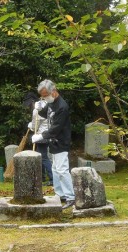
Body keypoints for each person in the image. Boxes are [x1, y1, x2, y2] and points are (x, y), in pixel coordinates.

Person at [31, 79, 75, 209]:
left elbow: (56, 127)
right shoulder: (51, 103)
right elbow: (44, 113)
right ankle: (60, 194)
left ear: (53, 91)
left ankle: (70, 197)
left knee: (62, 170)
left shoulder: (62, 107)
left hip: (61, 142)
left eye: (46, 95)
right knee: (55, 170)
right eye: (42, 96)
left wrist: (41, 136)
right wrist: (38, 109)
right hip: (53, 142)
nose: (45, 98)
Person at [28, 99, 54, 186]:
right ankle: (42, 177)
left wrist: (30, 126)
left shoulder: (37, 110)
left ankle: (52, 178)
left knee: (43, 157)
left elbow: (35, 125)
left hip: (41, 135)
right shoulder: (49, 106)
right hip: (49, 133)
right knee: (41, 156)